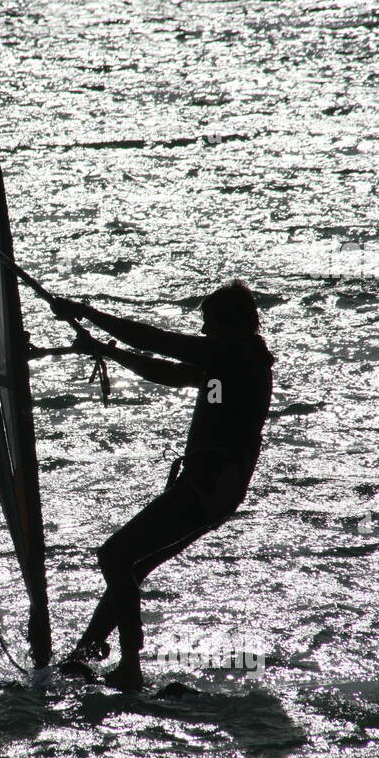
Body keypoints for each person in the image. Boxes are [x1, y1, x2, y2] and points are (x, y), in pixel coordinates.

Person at [49, 280, 274, 690]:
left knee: (114, 556)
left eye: (209, 324)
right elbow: (167, 371)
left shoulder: (236, 356)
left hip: (207, 490)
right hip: (211, 490)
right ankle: (86, 653)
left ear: (232, 324)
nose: (204, 332)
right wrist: (107, 351)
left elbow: (159, 342)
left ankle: (128, 666)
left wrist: (90, 314)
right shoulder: (226, 366)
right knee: (130, 566)